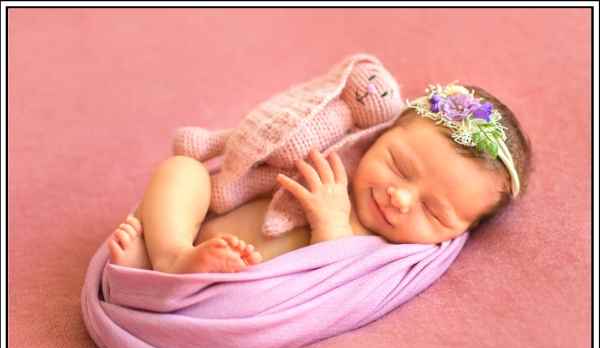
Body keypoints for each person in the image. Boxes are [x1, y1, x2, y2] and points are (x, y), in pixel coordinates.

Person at [107, 83, 531, 274]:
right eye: (398, 166)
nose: (400, 197)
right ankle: (166, 254)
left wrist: (331, 224)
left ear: (462, 232)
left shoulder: (382, 253)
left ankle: (172, 277)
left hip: (239, 282)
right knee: (184, 172)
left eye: (434, 211)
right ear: (378, 139)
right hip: (194, 234)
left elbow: (327, 282)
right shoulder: (336, 165)